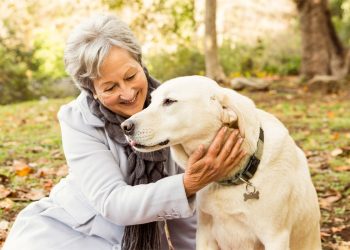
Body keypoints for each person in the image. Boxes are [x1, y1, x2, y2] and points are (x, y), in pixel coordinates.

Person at [3, 13, 246, 250]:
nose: (128, 93)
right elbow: (113, 202)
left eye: (131, 76)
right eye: (110, 87)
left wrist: (190, 189)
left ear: (141, 64)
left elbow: (189, 214)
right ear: (92, 91)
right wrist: (187, 184)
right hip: (69, 231)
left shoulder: (176, 106)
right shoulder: (77, 119)